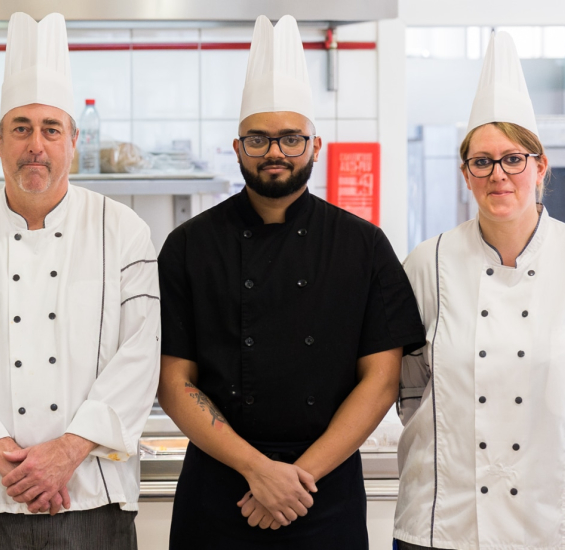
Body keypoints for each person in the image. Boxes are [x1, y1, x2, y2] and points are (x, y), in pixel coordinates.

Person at [158, 15, 425, 548]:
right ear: (237, 148)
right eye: (258, 139)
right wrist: (259, 470)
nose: (275, 152)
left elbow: (381, 380)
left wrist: (294, 478)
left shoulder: (363, 245)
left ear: (315, 145)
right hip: (219, 486)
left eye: (290, 139)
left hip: (322, 490)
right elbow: (172, 380)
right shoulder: (189, 245)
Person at [0, 12, 160, 549]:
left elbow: (140, 357)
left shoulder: (125, 231)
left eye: (50, 129)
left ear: (72, 139)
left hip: (93, 494)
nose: (35, 145)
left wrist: (66, 453)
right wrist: (8, 457)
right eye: (21, 128)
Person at [393, 31, 565, 550]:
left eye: (513, 159)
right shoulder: (428, 262)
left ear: (540, 167)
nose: (499, 174)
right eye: (482, 161)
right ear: (466, 174)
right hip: (445, 524)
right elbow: (408, 393)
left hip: (564, 523)